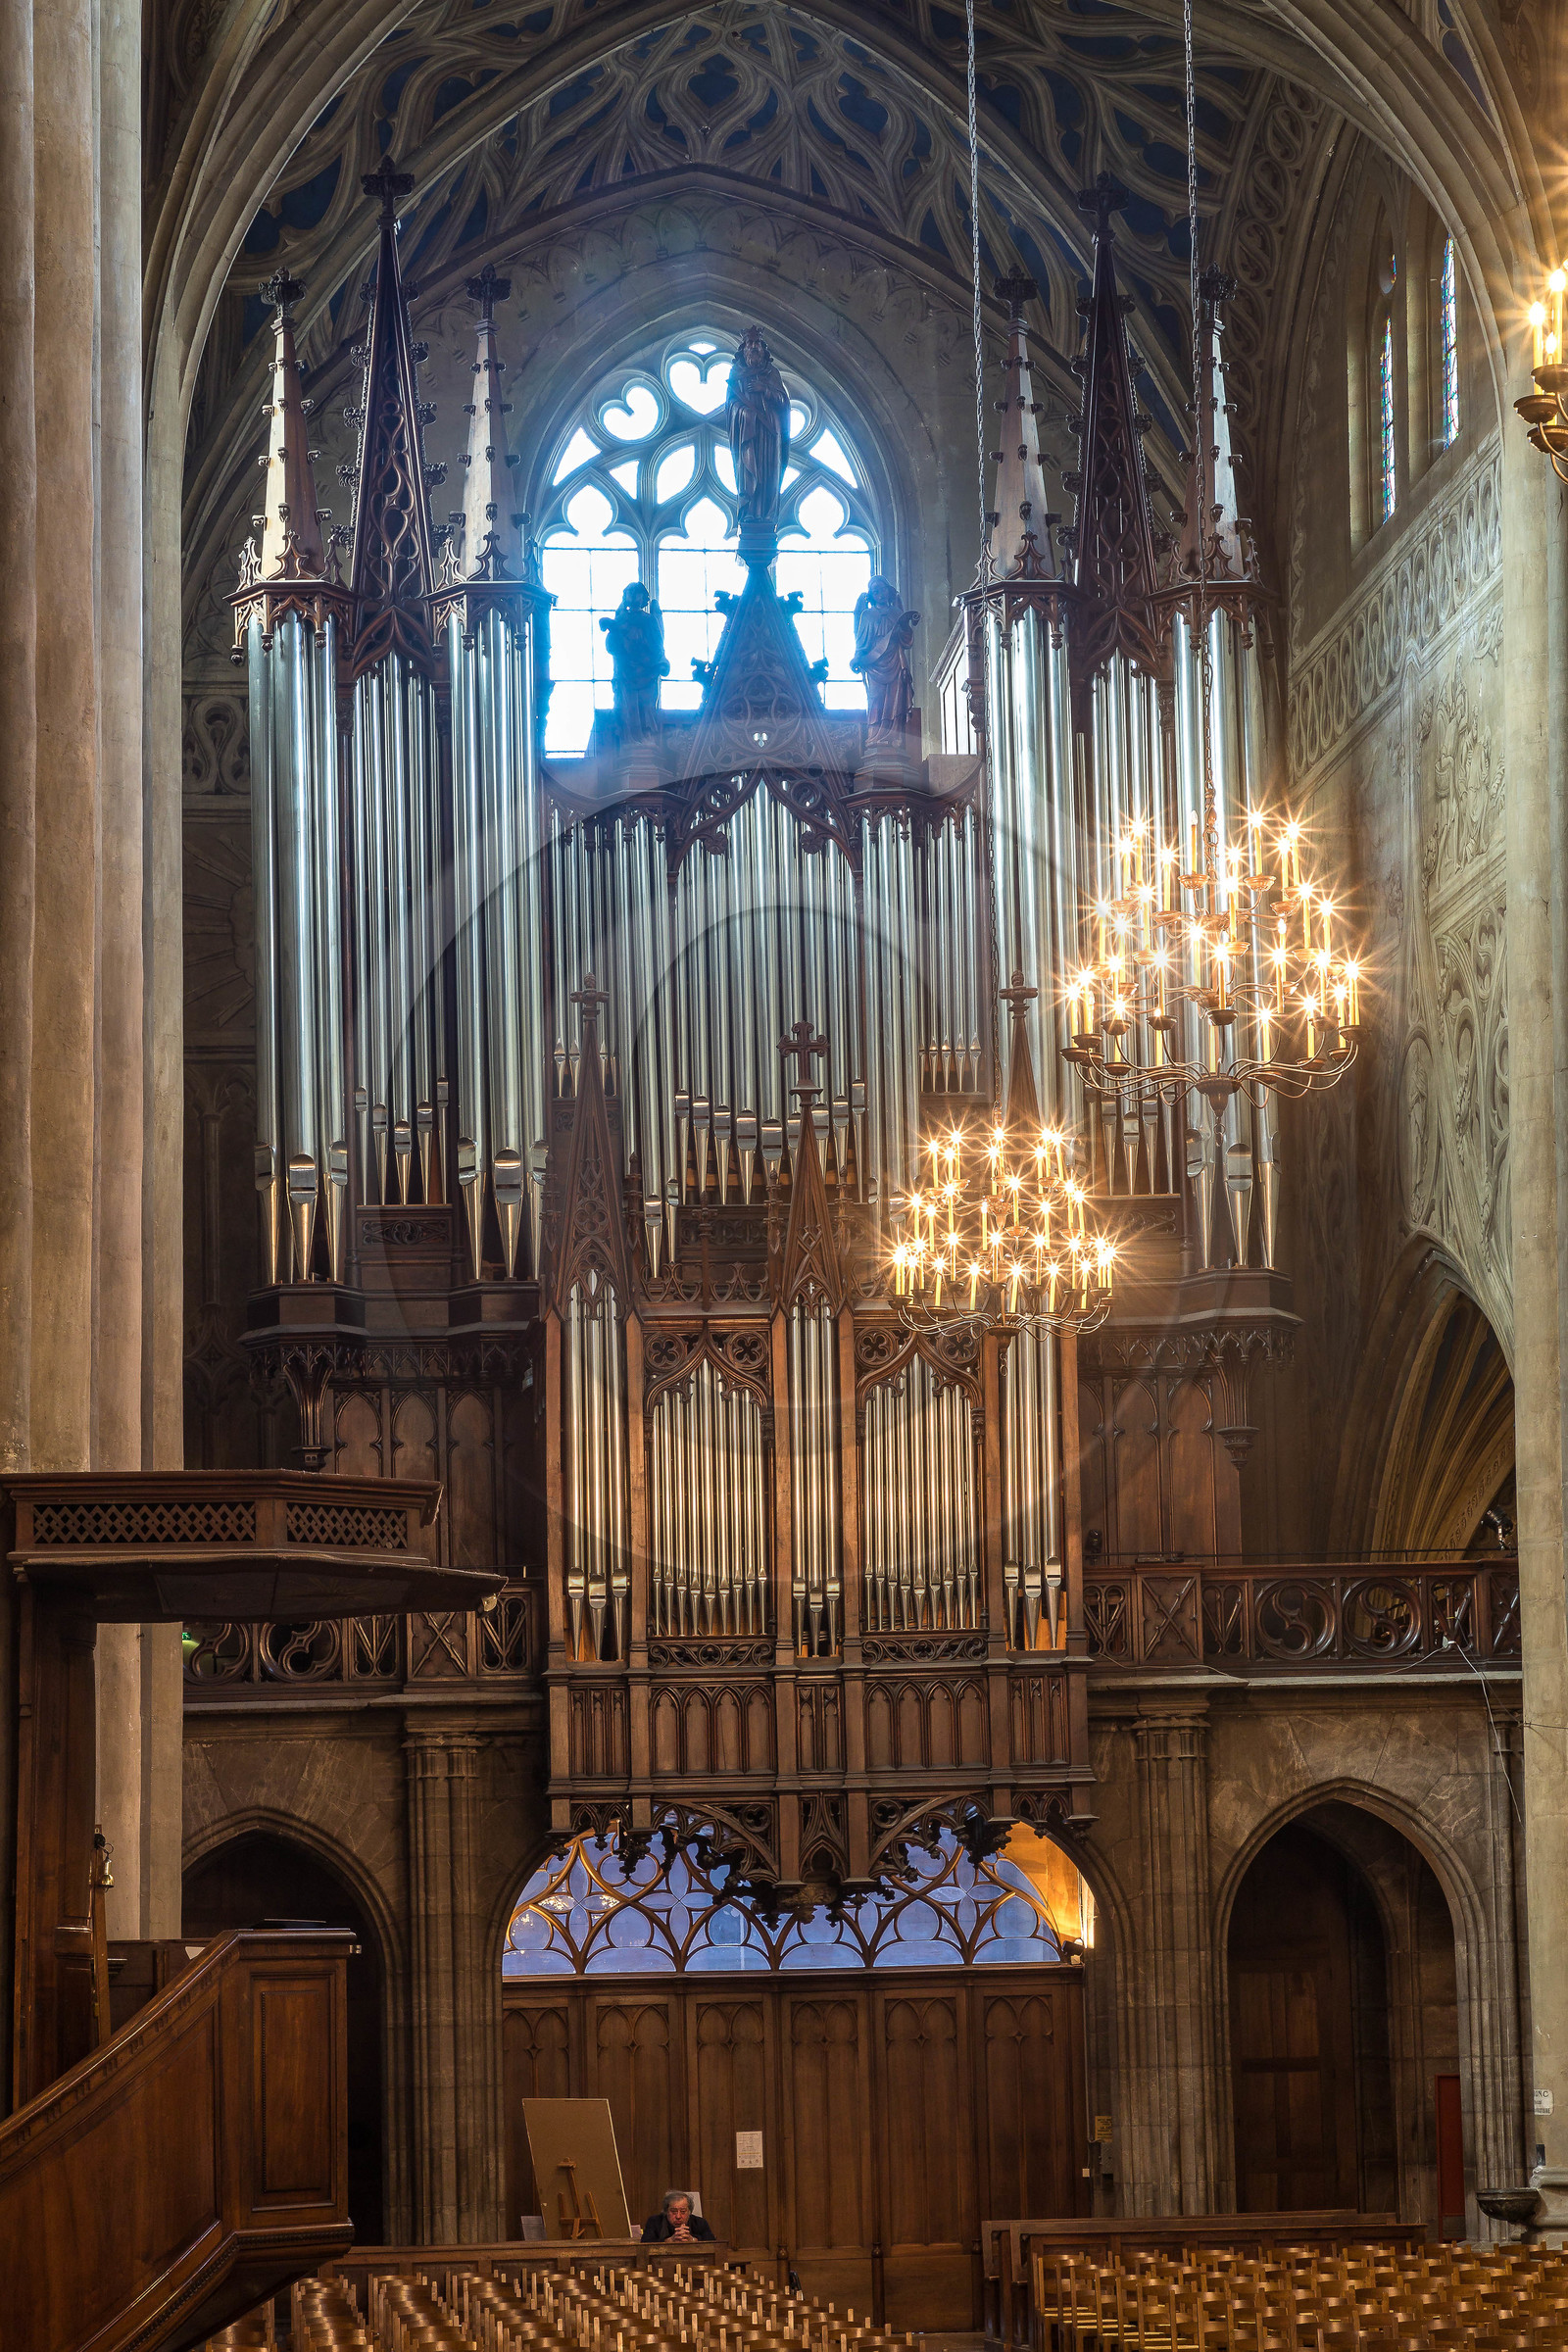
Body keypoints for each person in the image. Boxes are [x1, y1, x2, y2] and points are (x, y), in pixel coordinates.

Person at [641, 2188, 715, 2243]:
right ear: (666, 2211)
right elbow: (645, 2244)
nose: (678, 2216)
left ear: (689, 2211)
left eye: (683, 2211)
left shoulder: (700, 2222)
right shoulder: (655, 2221)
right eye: (673, 2211)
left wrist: (693, 2240)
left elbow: (713, 2243)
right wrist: (669, 2241)